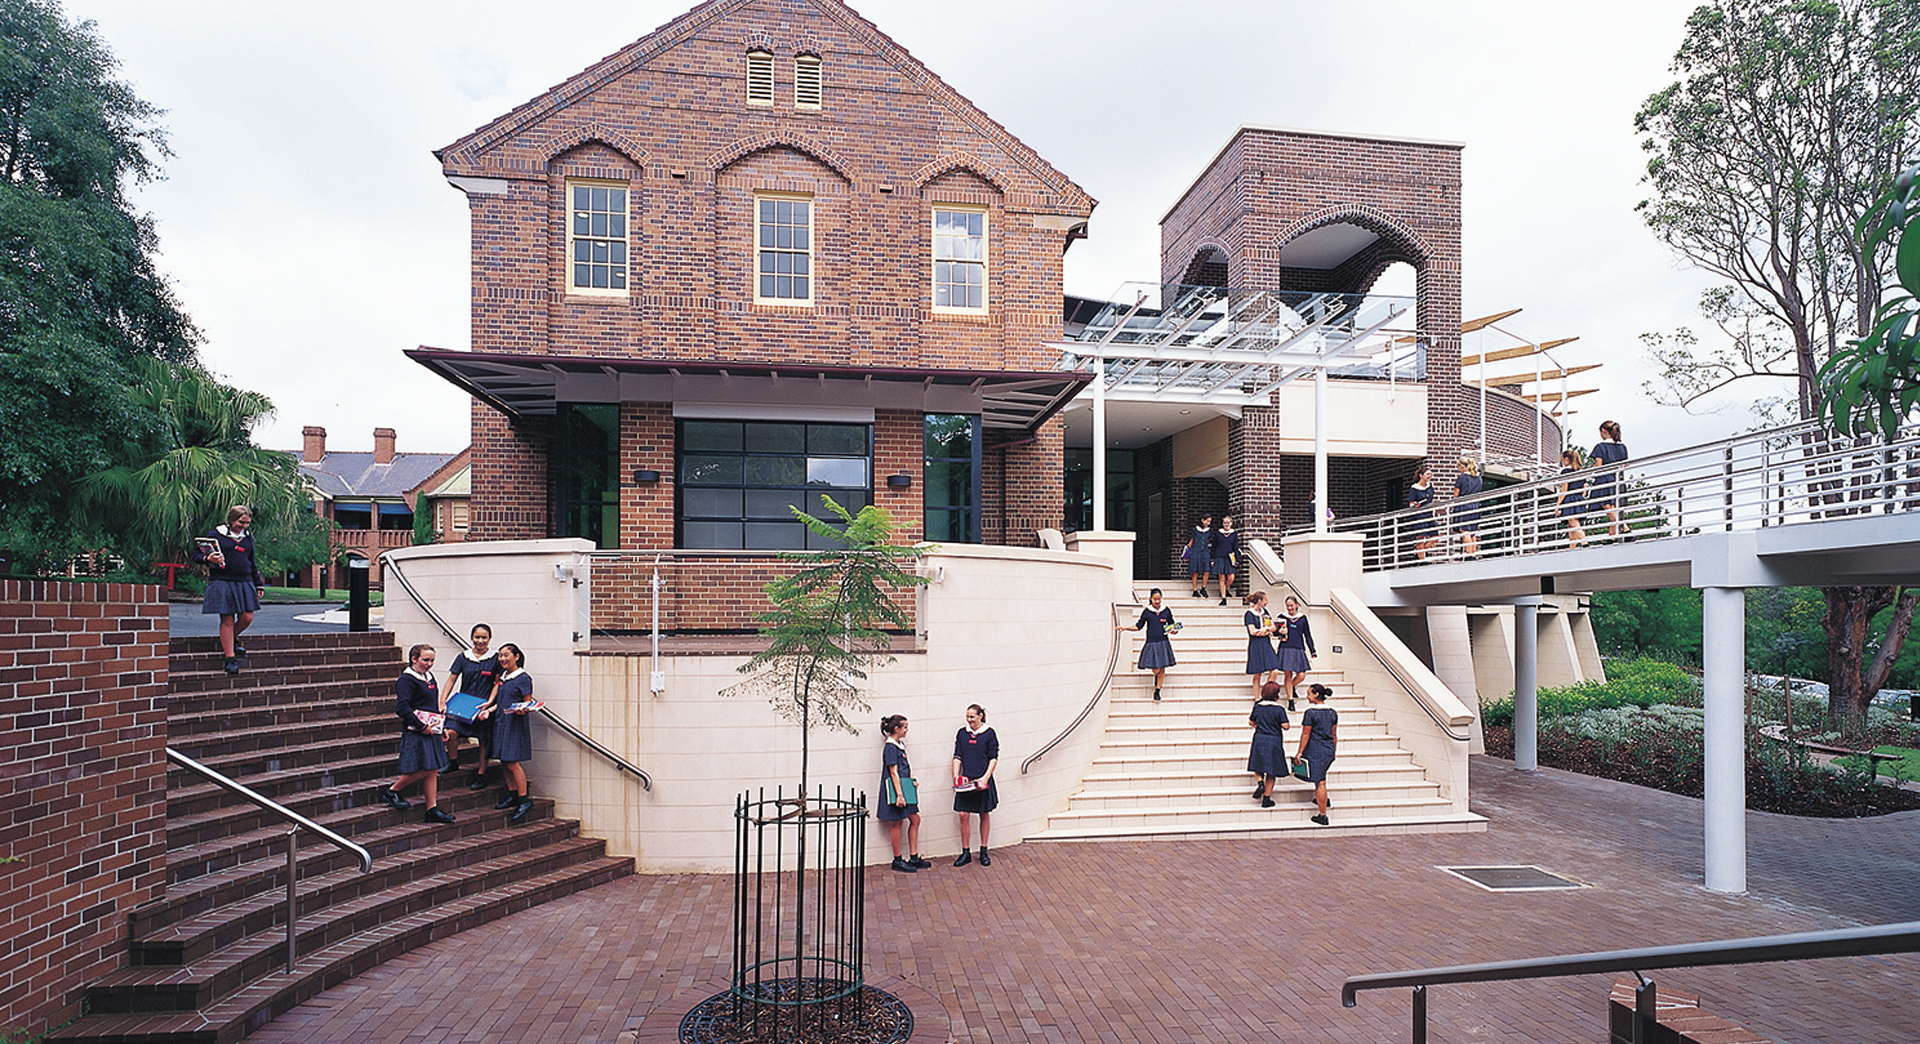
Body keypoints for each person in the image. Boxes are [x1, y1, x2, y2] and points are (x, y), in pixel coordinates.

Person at [378, 644, 457, 824]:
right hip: (417, 730)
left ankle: (432, 808)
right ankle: (393, 791)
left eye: (432, 660)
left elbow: (432, 705)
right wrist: (421, 726)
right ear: (414, 659)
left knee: (433, 769)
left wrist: (440, 727)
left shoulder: (428, 677)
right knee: (425, 768)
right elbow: (402, 708)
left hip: (431, 729)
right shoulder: (407, 679)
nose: (429, 664)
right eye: (425, 660)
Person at [194, 505, 265, 676]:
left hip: (245, 581)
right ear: (231, 520)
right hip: (222, 580)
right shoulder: (216, 535)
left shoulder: (247, 537)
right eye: (241, 522)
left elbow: (251, 561)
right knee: (227, 620)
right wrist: (207, 558)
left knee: (247, 617)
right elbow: (195, 555)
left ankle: (231, 639)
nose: (244, 526)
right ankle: (230, 659)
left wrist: (258, 583)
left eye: (247, 523)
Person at [480, 642, 537, 822]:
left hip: (514, 724)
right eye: (501, 656)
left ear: (517, 656)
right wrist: (489, 710)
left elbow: (526, 703)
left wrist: (523, 709)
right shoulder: (504, 677)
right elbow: (502, 701)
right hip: (500, 722)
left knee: (513, 763)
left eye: (506, 655)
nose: (503, 659)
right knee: (504, 762)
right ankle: (512, 794)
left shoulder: (523, 678)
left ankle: (524, 799)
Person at [444, 623, 500, 787]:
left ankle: (481, 775)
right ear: (472, 638)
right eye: (477, 637)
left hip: (483, 707)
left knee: (483, 740)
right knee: (450, 732)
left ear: (489, 639)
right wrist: (442, 701)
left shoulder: (495, 658)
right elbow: (452, 679)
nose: (480, 641)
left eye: (484, 637)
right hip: (463, 705)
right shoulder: (463, 657)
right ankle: (453, 761)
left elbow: (498, 682)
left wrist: (490, 702)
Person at [878, 714, 930, 873]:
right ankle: (898, 859)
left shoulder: (899, 744)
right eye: (905, 727)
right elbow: (893, 772)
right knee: (898, 822)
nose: (907, 730)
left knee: (915, 819)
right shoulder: (890, 748)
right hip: (897, 789)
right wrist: (900, 795)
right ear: (896, 729)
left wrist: (911, 779)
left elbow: (904, 767)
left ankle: (913, 857)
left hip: (905, 788)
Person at [951, 704, 998, 867]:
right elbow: (957, 756)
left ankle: (984, 851)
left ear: (980, 716)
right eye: (967, 717)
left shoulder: (989, 733)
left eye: (972, 716)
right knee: (963, 815)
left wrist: (985, 778)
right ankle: (966, 852)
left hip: (982, 780)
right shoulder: (962, 734)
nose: (969, 720)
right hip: (966, 781)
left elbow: (993, 758)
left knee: (984, 813)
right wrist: (956, 777)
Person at [1119, 588, 1177, 701]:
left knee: (1162, 668)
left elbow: (1172, 625)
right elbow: (1138, 626)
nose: (1157, 601)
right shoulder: (1147, 612)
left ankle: (1158, 690)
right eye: (1155, 599)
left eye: (1159, 599)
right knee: (1156, 669)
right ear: (1151, 599)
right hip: (1151, 642)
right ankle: (1156, 677)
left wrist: (1174, 630)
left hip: (1163, 642)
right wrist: (1125, 628)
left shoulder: (1166, 611)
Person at [1294, 683, 1338, 826]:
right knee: (1320, 775)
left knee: (1320, 781)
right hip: (1328, 748)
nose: (1307, 697)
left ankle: (1322, 814)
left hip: (1316, 748)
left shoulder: (1310, 713)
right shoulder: (1332, 713)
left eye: (1309, 694)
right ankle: (1322, 799)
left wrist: (1300, 752)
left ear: (1316, 695)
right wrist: (1334, 751)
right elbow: (1334, 734)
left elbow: (1306, 734)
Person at [1246, 681, 1291, 808]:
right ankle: (1266, 798)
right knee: (1272, 771)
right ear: (1276, 694)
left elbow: (1251, 722)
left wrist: (1259, 725)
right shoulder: (1279, 709)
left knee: (1257, 764)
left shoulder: (1258, 706)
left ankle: (1260, 783)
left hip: (1260, 737)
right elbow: (1285, 726)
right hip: (1274, 740)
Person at [1275, 594, 1317, 709]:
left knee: (1301, 675)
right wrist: (1280, 632)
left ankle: (1291, 686)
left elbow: (1307, 635)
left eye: (1291, 605)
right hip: (1286, 647)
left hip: (1299, 648)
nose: (1289, 608)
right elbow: (1274, 632)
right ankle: (1290, 700)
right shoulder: (1282, 617)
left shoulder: (1302, 618)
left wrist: (1312, 650)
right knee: (1288, 674)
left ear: (1297, 605)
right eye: (1287, 606)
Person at [1591, 420, 1628, 539]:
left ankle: (1625, 529)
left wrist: (1590, 473)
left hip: (1604, 479)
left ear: (1604, 431)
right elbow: (1625, 464)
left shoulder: (1601, 447)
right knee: (1614, 508)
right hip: (1618, 478)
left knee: (1607, 506)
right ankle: (1612, 537)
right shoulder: (1622, 447)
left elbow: (1599, 464)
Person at [1244, 591, 1282, 702]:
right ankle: (1257, 698)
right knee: (1257, 673)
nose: (1267, 602)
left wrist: (1266, 629)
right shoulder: (1249, 614)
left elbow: (1273, 627)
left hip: (1266, 642)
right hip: (1255, 644)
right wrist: (1263, 630)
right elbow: (1252, 631)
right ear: (1259, 601)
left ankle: (1267, 692)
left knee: (1274, 669)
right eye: (1265, 600)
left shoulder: (1264, 612)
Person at [1555, 448, 1588, 548]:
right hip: (1579, 498)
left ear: (1566, 459)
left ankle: (1585, 544)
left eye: (1562, 460)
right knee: (1571, 525)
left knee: (1573, 523)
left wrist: (1558, 504)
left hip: (1570, 498)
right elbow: (1585, 488)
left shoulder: (1566, 472)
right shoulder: (1580, 472)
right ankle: (1572, 548)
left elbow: (1564, 488)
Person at [1453, 455, 1483, 558]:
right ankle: (1473, 554)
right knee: (1472, 532)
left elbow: (1456, 495)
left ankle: (1469, 555)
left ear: (1462, 466)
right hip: (1475, 505)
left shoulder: (1462, 478)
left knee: (1464, 530)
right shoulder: (1478, 478)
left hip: (1464, 505)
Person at [1407, 463, 1437, 561]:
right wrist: (1416, 505)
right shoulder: (1414, 488)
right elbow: (1411, 504)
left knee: (1435, 536)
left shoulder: (1430, 486)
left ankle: (1420, 553)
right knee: (1420, 538)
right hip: (1419, 515)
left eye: (1430, 474)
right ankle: (1422, 559)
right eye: (1427, 474)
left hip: (1428, 514)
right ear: (1421, 475)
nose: (1429, 476)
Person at [1211, 515, 1241, 605]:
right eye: (1224, 523)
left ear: (1231, 523)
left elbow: (1236, 547)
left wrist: (1237, 559)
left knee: (1231, 577)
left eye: (1228, 523)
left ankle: (1226, 588)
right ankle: (1223, 597)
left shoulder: (1234, 534)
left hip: (1229, 557)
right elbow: (1214, 546)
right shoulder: (1218, 533)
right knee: (1222, 577)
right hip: (1219, 556)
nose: (1226, 524)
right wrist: (1212, 559)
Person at [1185, 515, 1214, 598]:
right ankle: (1195, 589)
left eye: (1209, 521)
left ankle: (1203, 588)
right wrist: (1187, 554)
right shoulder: (1195, 530)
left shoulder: (1209, 531)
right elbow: (1191, 541)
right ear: (1202, 520)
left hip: (1205, 551)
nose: (1208, 523)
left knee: (1207, 570)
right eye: (1207, 521)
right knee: (1195, 571)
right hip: (1195, 551)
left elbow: (1208, 541)